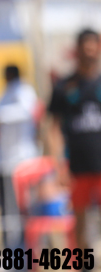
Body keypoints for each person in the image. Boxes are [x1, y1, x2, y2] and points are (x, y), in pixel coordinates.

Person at [47, 28, 101, 249]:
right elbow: (53, 129)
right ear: (77, 50)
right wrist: (59, 165)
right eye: (85, 48)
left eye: (93, 48)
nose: (90, 52)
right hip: (77, 167)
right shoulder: (64, 86)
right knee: (79, 224)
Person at [0, 63, 40, 247]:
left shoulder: (24, 90)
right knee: (6, 209)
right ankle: (11, 249)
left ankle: (25, 248)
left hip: (22, 160)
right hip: (4, 161)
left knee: (24, 208)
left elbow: (26, 111)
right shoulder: (5, 94)